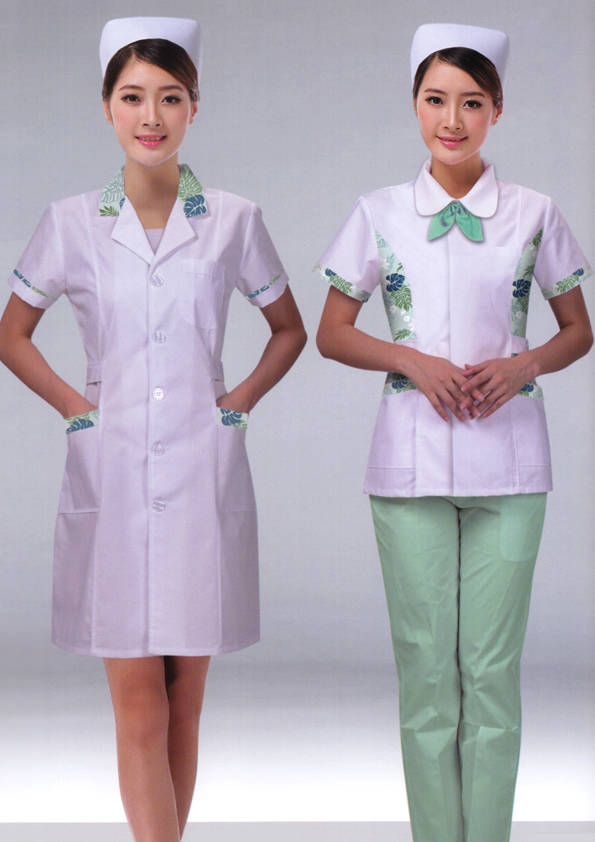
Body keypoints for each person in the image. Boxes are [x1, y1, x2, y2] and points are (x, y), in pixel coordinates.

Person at [0, 16, 306, 842]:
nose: (151, 115)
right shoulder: (70, 221)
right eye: (132, 96)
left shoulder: (233, 219)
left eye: (170, 98)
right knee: (139, 704)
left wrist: (236, 402)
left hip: (203, 465)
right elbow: (11, 334)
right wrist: (76, 408)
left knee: (183, 702)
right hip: (112, 468)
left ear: (194, 108)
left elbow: (288, 329)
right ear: (106, 106)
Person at [315, 22, 591, 842]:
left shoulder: (534, 212)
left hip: (512, 468)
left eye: (471, 103)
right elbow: (331, 332)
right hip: (408, 470)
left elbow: (577, 328)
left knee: (491, 675)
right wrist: (411, 359)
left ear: (496, 110)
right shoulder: (378, 212)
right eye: (435, 100)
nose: (452, 119)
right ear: (414, 105)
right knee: (428, 678)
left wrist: (522, 365)